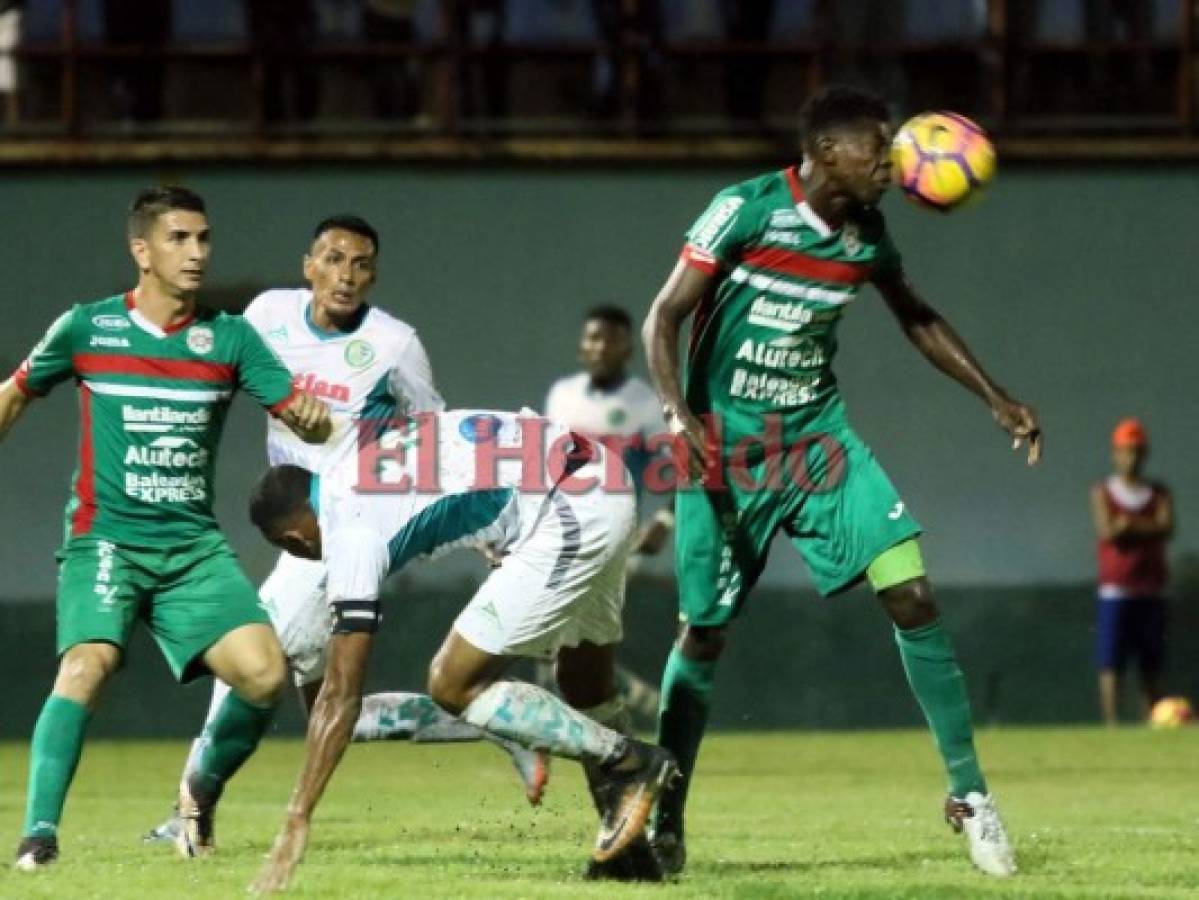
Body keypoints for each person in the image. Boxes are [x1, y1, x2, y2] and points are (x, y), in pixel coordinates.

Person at [641, 85, 1041, 878]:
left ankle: (970, 797)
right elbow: (664, 316)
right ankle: (664, 810)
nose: (892, 162)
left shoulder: (866, 236)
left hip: (820, 441)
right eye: (876, 147)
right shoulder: (745, 210)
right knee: (704, 635)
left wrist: (994, 395)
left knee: (912, 594)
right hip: (727, 449)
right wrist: (678, 411)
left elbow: (915, 316)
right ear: (825, 154)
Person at [141, 214, 546, 850]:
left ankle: (192, 807)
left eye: (360, 264)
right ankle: (498, 726)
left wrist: (481, 531)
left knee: (248, 658)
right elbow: (222, 363)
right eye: (332, 259)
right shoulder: (269, 314)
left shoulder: (394, 343)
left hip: (348, 529)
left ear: (373, 274)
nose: (346, 275)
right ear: (308, 266)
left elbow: (437, 432)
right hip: (294, 526)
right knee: (327, 713)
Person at [2, 186, 332, 871]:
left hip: (191, 550)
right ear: (141, 250)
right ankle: (38, 837)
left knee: (266, 677)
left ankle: (194, 804)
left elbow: (300, 406)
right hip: (107, 541)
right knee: (87, 665)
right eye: (180, 239)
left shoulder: (232, 337)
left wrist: (313, 419)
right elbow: (14, 394)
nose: (197, 252)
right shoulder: (86, 329)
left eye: (204, 238)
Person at [245, 410, 679, 892]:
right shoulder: (359, 464)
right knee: (584, 676)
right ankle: (628, 853)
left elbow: (341, 695)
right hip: (603, 476)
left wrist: (297, 817)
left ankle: (629, 761)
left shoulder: (347, 533)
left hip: (567, 509)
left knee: (453, 682)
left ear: (293, 539)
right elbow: (462, 456)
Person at [544, 304, 673, 720]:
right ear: (582, 346)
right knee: (563, 643)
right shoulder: (562, 396)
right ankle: (637, 709)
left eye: (610, 339)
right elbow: (543, 469)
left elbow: (679, 470)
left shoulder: (644, 404)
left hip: (617, 536)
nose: (599, 348)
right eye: (592, 339)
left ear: (628, 349)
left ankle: (626, 717)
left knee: (565, 639)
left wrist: (664, 521)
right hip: (563, 532)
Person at [1090, 418, 1173, 726]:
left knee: (1151, 664)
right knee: (1111, 662)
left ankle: (1154, 720)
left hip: (1152, 589)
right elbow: (1106, 530)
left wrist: (1127, 525)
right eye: (1125, 451)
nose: (1131, 458)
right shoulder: (1103, 491)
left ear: (1144, 453)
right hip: (1116, 591)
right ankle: (1112, 724)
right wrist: (1142, 528)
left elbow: (1166, 527)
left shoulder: (1158, 492)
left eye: (1137, 451)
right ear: (1116, 453)